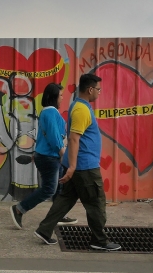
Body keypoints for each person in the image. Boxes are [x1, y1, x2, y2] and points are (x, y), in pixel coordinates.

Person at [33, 74, 121, 251]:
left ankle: (44, 230)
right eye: (98, 89)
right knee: (96, 202)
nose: (99, 92)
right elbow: (74, 139)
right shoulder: (81, 109)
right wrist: (72, 167)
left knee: (65, 199)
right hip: (84, 166)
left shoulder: (78, 105)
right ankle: (99, 240)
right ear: (90, 90)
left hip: (78, 165)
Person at [10, 83, 77, 229]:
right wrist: (63, 154)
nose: (62, 97)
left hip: (48, 156)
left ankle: (59, 214)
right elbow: (54, 137)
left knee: (58, 188)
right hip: (50, 157)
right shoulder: (50, 112)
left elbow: (46, 136)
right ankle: (19, 209)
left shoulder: (47, 112)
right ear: (53, 97)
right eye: (60, 95)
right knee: (49, 189)